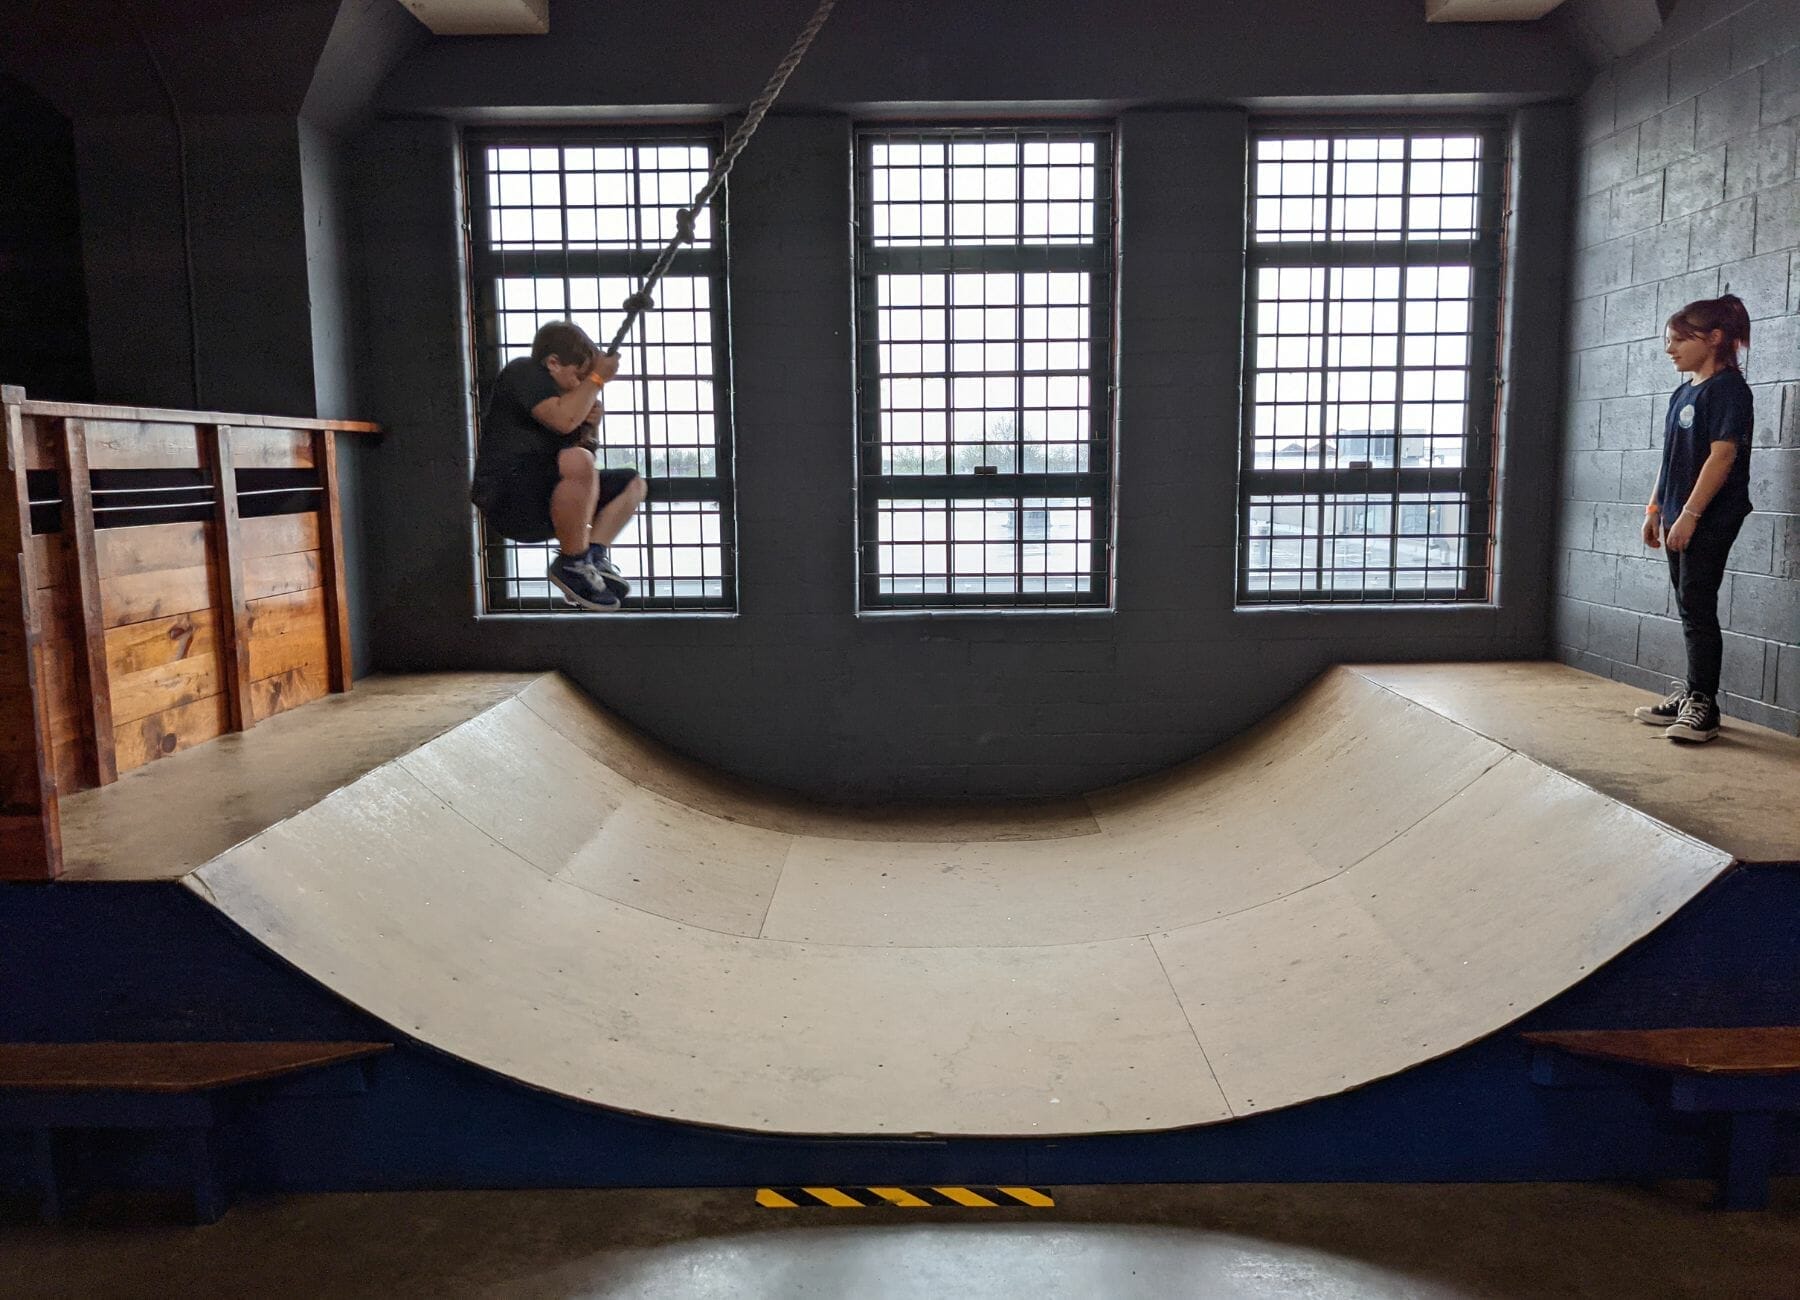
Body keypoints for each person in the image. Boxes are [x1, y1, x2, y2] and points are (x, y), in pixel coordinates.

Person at [1631, 294, 1755, 743]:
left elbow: (1721, 458)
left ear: (1715, 338)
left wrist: (1690, 515)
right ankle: (1692, 694)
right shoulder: (1683, 391)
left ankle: (1705, 705)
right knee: (1688, 607)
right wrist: (1654, 508)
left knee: (1698, 606)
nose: (1671, 350)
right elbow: (1670, 459)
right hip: (1677, 514)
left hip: (1710, 515)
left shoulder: (1729, 391)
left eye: (1680, 340)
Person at [470, 320, 649, 611]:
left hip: (548, 502)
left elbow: (582, 461)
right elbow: (560, 420)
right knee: (579, 460)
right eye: (578, 378)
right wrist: (596, 381)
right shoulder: (525, 372)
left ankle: (592, 557)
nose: (582, 387)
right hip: (510, 498)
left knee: (633, 484)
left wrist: (591, 428)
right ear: (553, 363)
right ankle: (574, 564)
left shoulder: (573, 403)